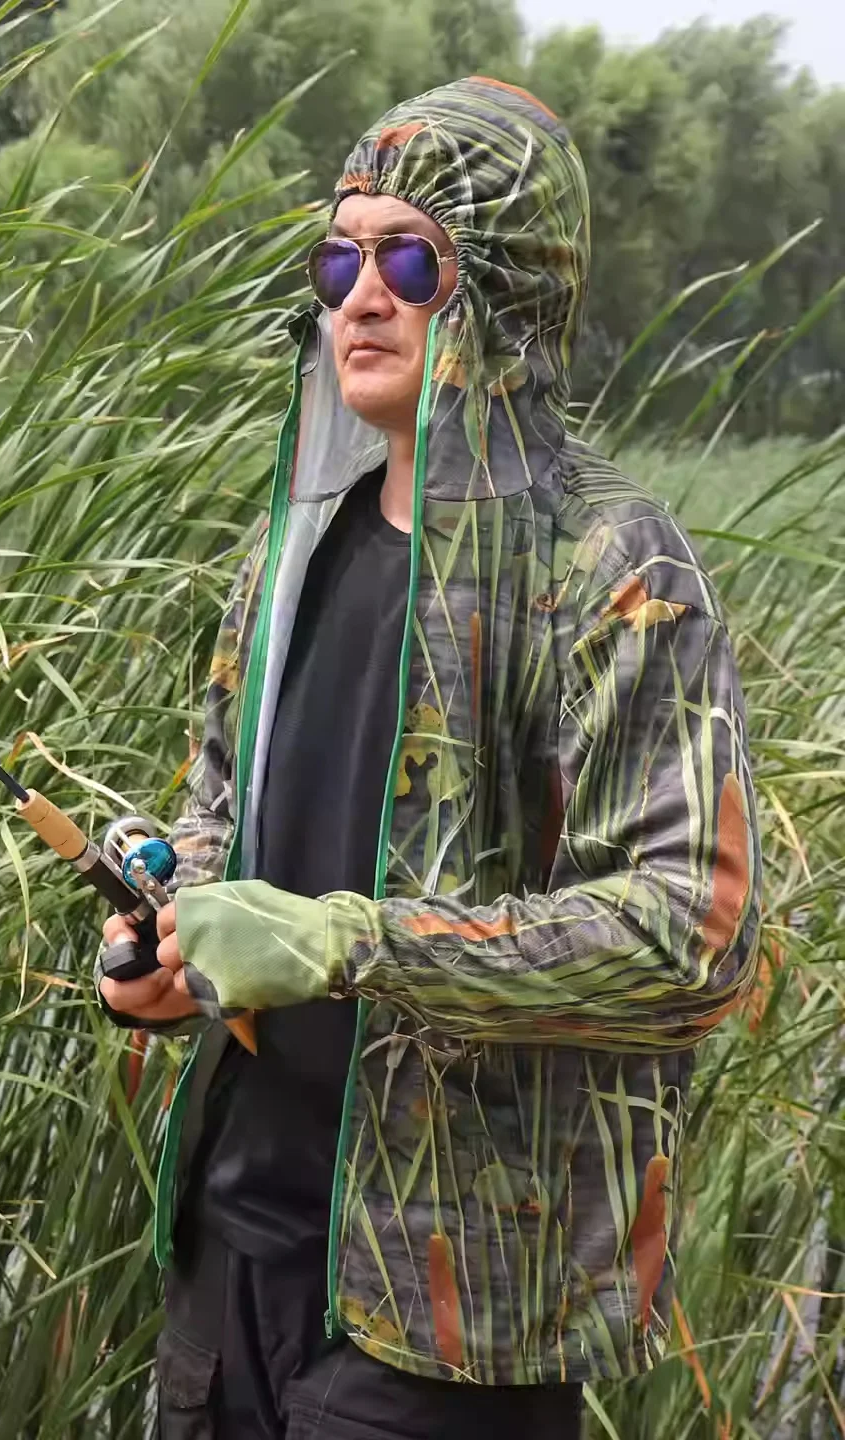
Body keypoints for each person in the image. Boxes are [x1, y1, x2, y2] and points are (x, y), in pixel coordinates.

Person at [98, 76, 761, 1440]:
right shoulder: (298, 545)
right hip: (232, 1273)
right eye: (340, 256)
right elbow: (222, 819)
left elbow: (691, 937)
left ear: (509, 291)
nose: (360, 294)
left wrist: (354, 942)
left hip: (447, 1328)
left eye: (411, 259)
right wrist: (173, 941)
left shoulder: (610, 564)